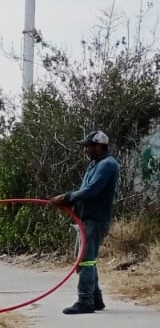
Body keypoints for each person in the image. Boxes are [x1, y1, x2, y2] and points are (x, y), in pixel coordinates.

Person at [50, 130, 119, 315]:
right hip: (86, 218)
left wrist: (67, 197)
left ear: (100, 146)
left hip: (95, 220)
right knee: (87, 259)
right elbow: (85, 191)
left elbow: (91, 190)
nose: (86, 150)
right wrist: (71, 203)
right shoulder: (95, 164)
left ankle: (85, 301)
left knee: (86, 260)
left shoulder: (108, 165)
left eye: (89, 146)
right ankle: (96, 299)